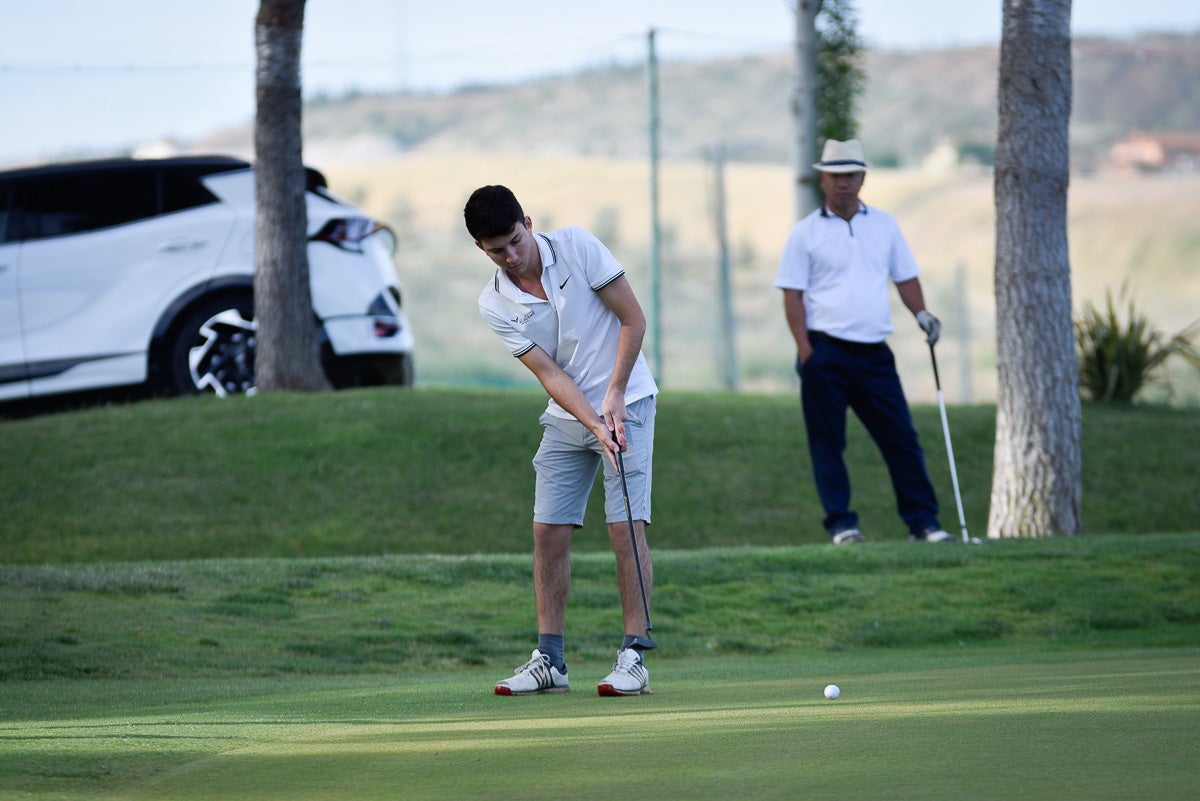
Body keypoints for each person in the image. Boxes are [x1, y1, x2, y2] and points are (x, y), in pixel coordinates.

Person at [464, 184, 659, 696]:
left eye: (514, 241)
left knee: (625, 527)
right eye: (496, 250)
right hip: (570, 412)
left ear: (527, 222)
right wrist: (593, 421)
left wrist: (614, 395)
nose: (510, 255)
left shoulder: (577, 246)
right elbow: (549, 373)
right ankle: (550, 661)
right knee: (548, 531)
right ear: (482, 250)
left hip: (629, 399)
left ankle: (634, 656)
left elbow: (633, 320)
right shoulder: (494, 301)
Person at [774, 139, 954, 545]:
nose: (843, 184)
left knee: (901, 438)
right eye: (835, 177)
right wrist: (806, 351)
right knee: (828, 443)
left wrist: (921, 313)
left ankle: (924, 524)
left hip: (875, 352)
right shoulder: (805, 233)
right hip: (825, 351)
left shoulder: (885, 225)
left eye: (850, 176)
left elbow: (904, 276)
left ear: (862, 178)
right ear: (823, 180)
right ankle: (842, 525)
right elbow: (792, 294)